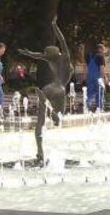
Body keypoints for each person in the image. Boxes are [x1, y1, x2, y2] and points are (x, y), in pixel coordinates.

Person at [18, 18, 73, 164]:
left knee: (40, 121)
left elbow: (36, 55)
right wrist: (54, 25)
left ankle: (40, 151)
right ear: (58, 52)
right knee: (59, 118)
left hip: (47, 88)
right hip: (59, 89)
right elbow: (62, 41)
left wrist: (27, 53)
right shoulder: (64, 58)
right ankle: (53, 114)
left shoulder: (49, 59)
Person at [85, 43, 107, 111]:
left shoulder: (89, 56)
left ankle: (86, 108)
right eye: (103, 50)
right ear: (100, 49)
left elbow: (86, 68)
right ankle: (99, 108)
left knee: (89, 94)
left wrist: (85, 77)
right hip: (98, 78)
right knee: (100, 92)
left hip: (89, 78)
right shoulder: (100, 56)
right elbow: (102, 68)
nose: (104, 52)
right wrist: (105, 77)